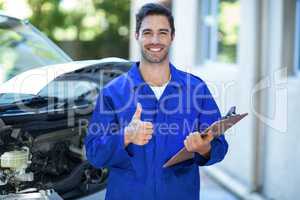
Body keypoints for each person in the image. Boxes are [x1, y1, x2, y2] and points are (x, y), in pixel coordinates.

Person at [85, 3, 228, 200]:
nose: (155, 40)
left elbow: (219, 146)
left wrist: (203, 148)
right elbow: (94, 154)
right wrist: (126, 136)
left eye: (162, 32)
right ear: (137, 35)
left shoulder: (196, 89)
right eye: (147, 32)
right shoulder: (113, 93)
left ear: (172, 36)